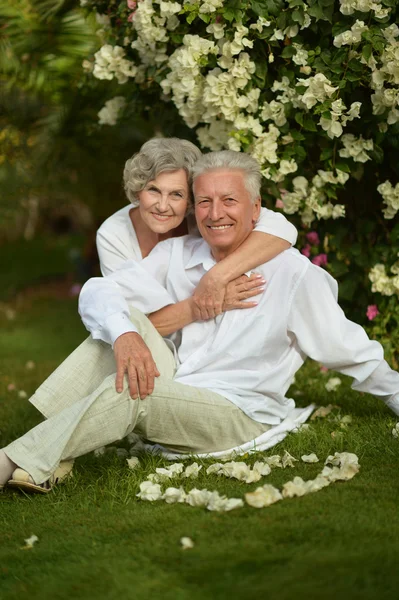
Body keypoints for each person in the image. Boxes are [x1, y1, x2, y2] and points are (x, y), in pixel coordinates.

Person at [2, 150, 399, 495]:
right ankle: (50, 454)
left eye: (230, 200)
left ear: (257, 209)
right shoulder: (179, 253)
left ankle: (9, 462)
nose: (215, 213)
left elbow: (348, 348)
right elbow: (98, 291)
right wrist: (125, 335)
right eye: (205, 202)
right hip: (183, 386)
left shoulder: (293, 275)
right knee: (122, 327)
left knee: (137, 387)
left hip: (239, 411)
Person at [95, 137, 299, 318]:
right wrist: (204, 303)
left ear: (191, 199)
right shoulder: (113, 234)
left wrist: (217, 277)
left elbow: (282, 228)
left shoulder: (206, 214)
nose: (163, 206)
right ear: (138, 190)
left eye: (177, 194)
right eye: (154, 190)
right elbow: (125, 312)